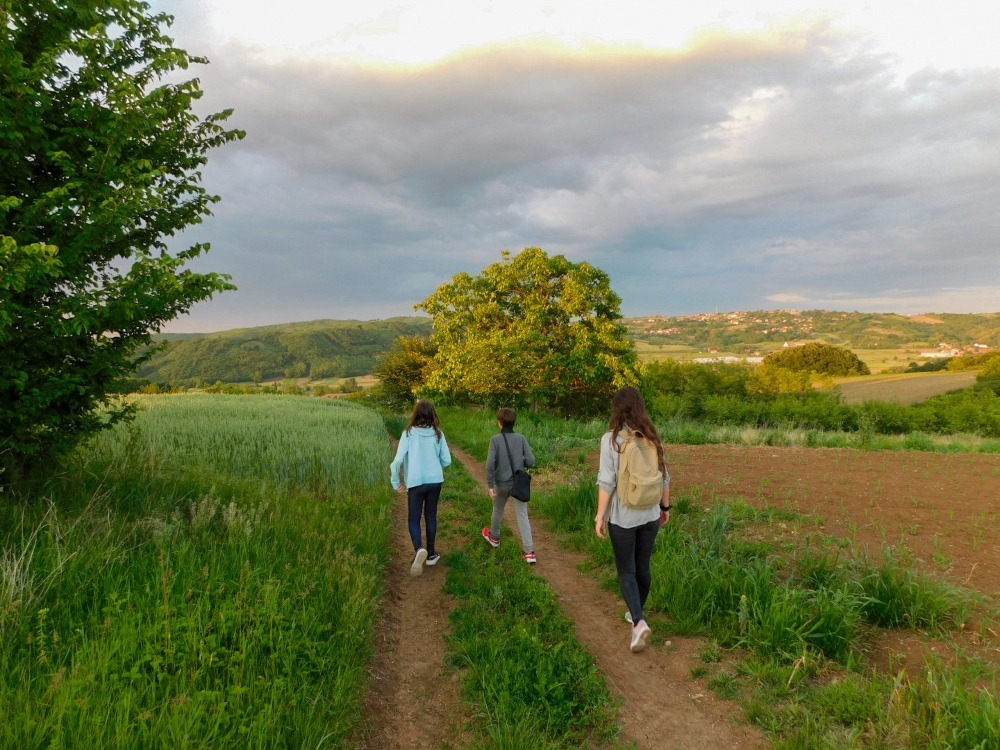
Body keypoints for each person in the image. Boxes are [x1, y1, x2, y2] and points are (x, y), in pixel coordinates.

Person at [595, 386, 671, 653]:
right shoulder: (652, 437)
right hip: (650, 513)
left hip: (624, 516)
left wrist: (600, 515)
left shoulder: (611, 440)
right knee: (643, 566)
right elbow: (665, 477)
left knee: (626, 569)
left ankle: (638, 622)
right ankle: (636, 612)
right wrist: (665, 507)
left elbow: (607, 481)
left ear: (617, 409)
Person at [391, 399, 452, 577]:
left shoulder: (408, 434)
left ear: (415, 413)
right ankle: (431, 554)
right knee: (431, 515)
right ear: (433, 414)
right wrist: (435, 464)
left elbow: (397, 462)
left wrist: (396, 483)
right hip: (435, 481)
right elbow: (447, 461)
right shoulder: (438, 434)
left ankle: (419, 548)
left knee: (414, 518)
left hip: (416, 482)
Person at [481, 407, 537, 563]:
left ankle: (494, 537)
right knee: (522, 515)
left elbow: (489, 464)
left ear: (499, 423)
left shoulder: (495, 440)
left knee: (498, 509)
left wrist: (490, 485)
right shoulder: (521, 438)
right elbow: (531, 461)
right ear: (514, 422)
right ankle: (529, 552)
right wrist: (521, 463)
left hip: (501, 483)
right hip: (518, 484)